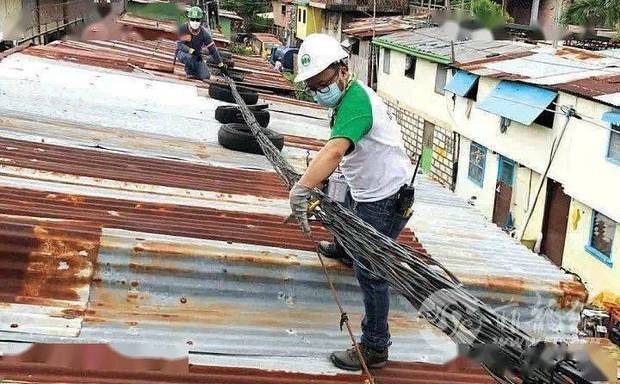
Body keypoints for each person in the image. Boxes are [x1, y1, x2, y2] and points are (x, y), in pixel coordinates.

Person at [288, 33, 414, 371]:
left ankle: (375, 346)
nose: (317, 91)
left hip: (385, 197)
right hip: (368, 189)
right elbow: (343, 161)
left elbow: (334, 151)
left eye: (320, 82)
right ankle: (346, 248)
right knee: (344, 214)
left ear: (341, 70)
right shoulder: (345, 100)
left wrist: (301, 188)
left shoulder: (356, 103)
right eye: (311, 87)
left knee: (371, 271)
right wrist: (324, 188)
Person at [176, 6, 226, 81]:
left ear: (201, 20)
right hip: (183, 53)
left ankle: (196, 71)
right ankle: (190, 72)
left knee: (205, 76)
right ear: (189, 19)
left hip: (197, 56)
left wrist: (221, 65)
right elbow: (180, 45)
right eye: (192, 19)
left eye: (197, 20)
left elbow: (213, 50)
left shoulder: (204, 34)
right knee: (189, 57)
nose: (195, 22)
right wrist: (191, 50)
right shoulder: (184, 29)